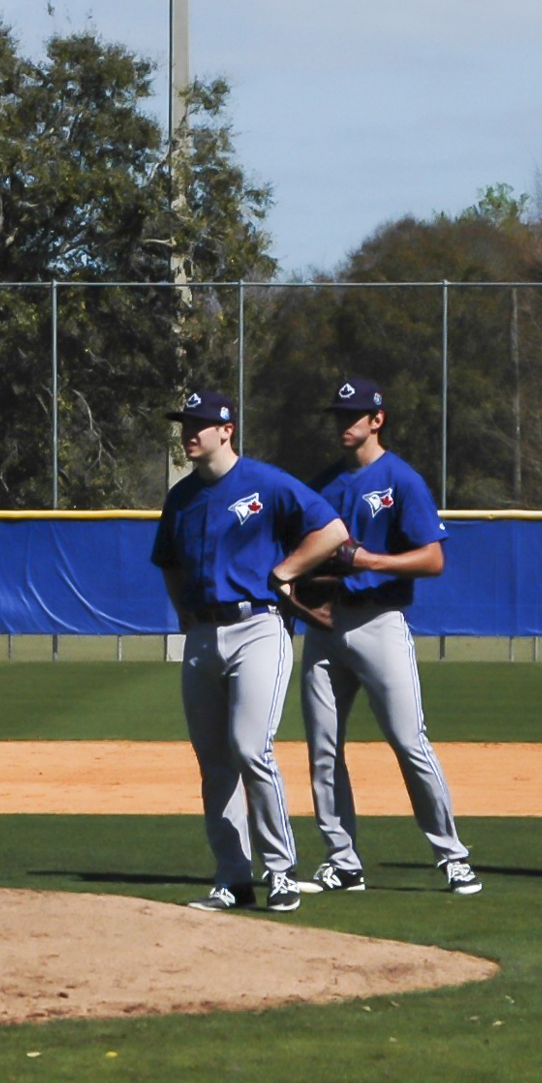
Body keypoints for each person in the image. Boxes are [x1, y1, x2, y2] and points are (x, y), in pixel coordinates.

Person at [151, 390, 349, 913]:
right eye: (184, 424)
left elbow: (332, 531)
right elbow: (167, 561)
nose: (188, 432)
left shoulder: (264, 481)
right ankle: (232, 876)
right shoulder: (181, 496)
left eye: (198, 424)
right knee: (214, 761)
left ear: (226, 430)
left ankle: (280, 870)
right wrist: (182, 611)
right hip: (202, 635)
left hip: (258, 626)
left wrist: (285, 572)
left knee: (249, 748)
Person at [289, 377, 480, 897]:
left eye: (353, 414)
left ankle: (452, 855)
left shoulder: (401, 479)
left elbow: (434, 559)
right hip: (325, 625)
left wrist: (370, 560)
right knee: (323, 748)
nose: (343, 422)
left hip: (379, 621)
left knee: (407, 739)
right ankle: (342, 859)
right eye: (338, 414)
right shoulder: (323, 485)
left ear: (377, 420)